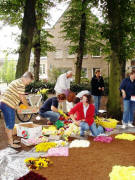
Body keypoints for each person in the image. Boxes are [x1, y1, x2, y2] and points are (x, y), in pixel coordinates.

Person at [0, 72, 34, 149]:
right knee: (10, 124)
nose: (28, 84)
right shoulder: (21, 84)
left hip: (4, 102)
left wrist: (17, 107)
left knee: (8, 123)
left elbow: (14, 95)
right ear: (26, 78)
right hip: (8, 104)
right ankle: (11, 143)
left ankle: (10, 140)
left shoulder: (17, 81)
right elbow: (22, 97)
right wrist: (28, 108)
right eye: (29, 82)